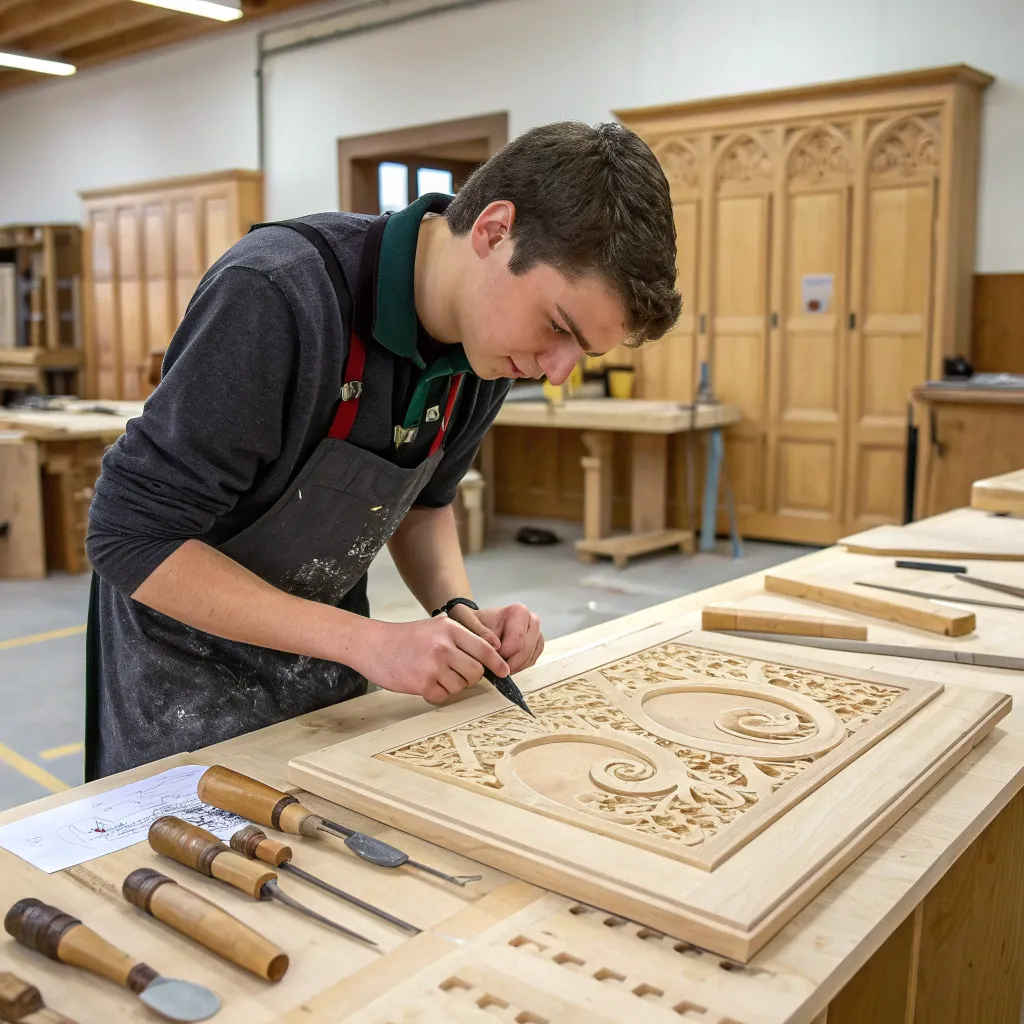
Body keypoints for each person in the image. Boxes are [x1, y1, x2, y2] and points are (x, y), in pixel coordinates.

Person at [84, 120, 682, 780]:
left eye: (583, 352)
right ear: (494, 231)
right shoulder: (276, 293)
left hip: (327, 677)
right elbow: (130, 536)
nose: (558, 370)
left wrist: (458, 614)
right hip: (180, 687)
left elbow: (424, 502)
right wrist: (368, 642)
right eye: (558, 327)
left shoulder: (489, 352)